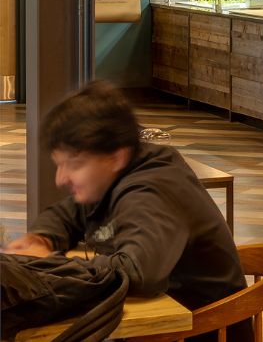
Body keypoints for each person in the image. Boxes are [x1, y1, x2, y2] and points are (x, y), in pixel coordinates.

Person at [4, 81, 247, 324]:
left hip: (199, 330)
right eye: (59, 165)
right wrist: (40, 239)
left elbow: (139, 272)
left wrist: (51, 263)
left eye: (74, 165)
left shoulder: (151, 191)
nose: (60, 178)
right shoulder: (113, 176)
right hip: (163, 325)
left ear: (116, 156)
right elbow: (66, 213)